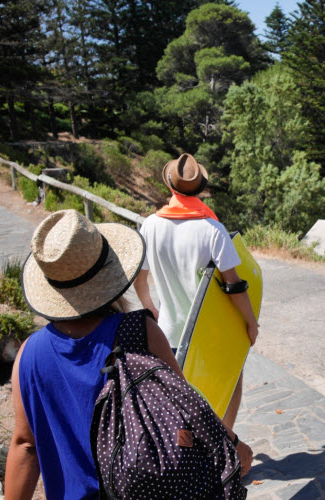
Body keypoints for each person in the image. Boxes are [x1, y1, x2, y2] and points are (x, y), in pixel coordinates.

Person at [4, 209, 253, 499]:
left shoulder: (29, 355)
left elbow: (25, 446)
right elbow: (185, 406)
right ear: (108, 271)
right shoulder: (138, 331)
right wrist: (233, 444)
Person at [134, 153, 258, 427]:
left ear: (170, 186)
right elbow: (234, 285)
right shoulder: (212, 230)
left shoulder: (150, 226)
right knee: (228, 385)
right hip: (210, 334)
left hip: (167, 332)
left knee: (180, 403)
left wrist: (150, 308)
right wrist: (251, 322)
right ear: (200, 188)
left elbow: (139, 278)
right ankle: (226, 447)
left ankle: (189, 462)